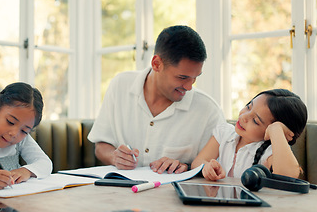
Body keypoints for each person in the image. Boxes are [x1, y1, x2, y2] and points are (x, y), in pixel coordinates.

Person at [88, 25, 226, 174]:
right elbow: (101, 146)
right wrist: (114, 157)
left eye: (195, 78)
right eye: (182, 77)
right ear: (156, 64)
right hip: (121, 193)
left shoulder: (209, 111)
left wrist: (186, 166)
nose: (189, 86)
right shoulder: (120, 85)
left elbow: (218, 168)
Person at [191, 89, 307, 181]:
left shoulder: (270, 151)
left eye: (255, 121)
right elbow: (198, 161)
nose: (244, 116)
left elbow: (288, 176)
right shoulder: (224, 133)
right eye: (248, 107)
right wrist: (206, 167)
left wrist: (277, 130)